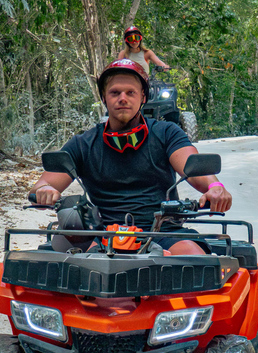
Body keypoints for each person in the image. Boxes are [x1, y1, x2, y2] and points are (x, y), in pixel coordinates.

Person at [29, 59, 231, 256]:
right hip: (102, 234)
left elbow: (191, 165)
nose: (123, 98)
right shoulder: (83, 143)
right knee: (75, 268)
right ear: (104, 98)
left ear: (143, 97)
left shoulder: (167, 133)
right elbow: (43, 184)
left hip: (163, 232)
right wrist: (45, 190)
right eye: (115, 92)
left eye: (130, 92)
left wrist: (215, 188)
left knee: (193, 259)